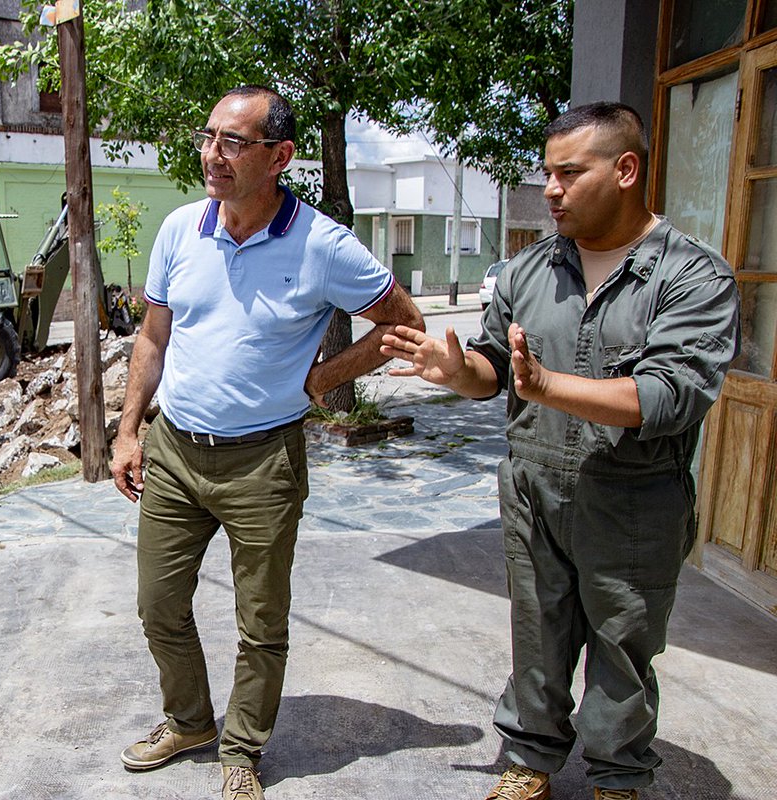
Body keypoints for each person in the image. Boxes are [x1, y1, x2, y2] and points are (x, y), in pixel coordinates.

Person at [379, 102, 740, 800]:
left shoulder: (692, 277)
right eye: (547, 173)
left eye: (569, 173)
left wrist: (546, 385)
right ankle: (530, 761)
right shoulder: (526, 273)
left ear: (626, 169)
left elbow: (667, 398)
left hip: (634, 495)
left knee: (623, 647)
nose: (551, 189)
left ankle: (616, 776)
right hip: (534, 487)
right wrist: (459, 373)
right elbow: (492, 370)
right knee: (537, 633)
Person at [110, 85, 424, 800]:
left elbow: (403, 323)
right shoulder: (181, 229)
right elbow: (154, 337)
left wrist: (325, 379)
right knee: (159, 604)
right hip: (175, 451)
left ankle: (243, 747)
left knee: (261, 621)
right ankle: (189, 720)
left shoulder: (322, 245)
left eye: (232, 142)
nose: (211, 155)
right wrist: (129, 431)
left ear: (279, 156)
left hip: (262, 464)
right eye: (208, 137)